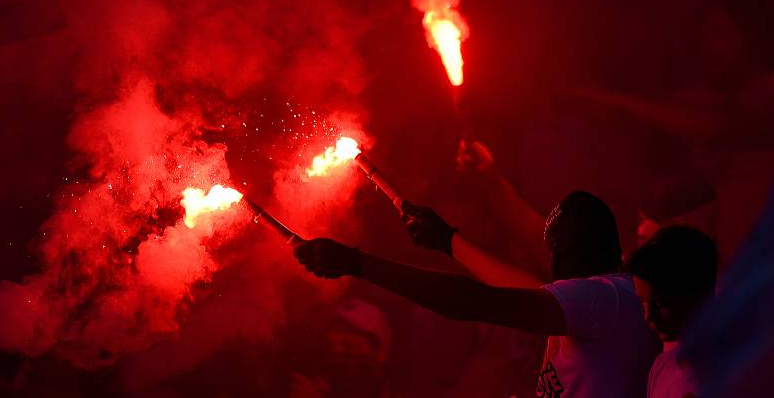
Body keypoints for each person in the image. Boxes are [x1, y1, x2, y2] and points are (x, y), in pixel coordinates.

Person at [294, 191, 661, 397]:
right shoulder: (614, 296)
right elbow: (515, 287)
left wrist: (359, 264)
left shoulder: (600, 299)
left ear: (558, 255)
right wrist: (447, 241)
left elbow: (473, 300)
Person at [625, 225, 718, 398]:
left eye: (661, 303)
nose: (648, 316)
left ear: (698, 294)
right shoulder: (661, 366)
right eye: (642, 302)